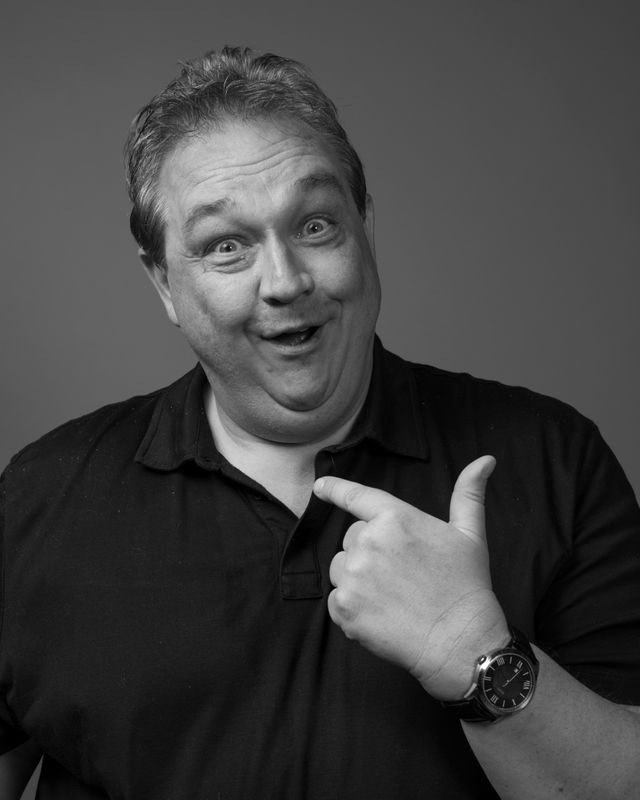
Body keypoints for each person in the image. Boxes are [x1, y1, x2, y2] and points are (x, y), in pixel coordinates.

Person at [1, 46, 639, 799]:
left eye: (314, 226)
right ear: (164, 281)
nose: (285, 282)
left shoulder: (555, 459)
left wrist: (472, 651)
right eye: (226, 246)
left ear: (364, 227)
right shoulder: (41, 497)